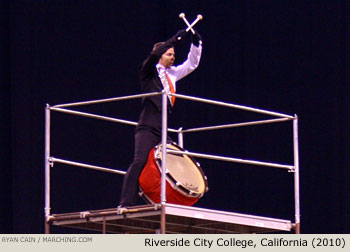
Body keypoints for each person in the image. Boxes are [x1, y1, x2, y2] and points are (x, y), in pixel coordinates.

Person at [117, 29, 202, 213]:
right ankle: (125, 203)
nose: (173, 57)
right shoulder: (148, 72)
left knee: (176, 158)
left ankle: (175, 201)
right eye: (169, 54)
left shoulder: (172, 74)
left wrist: (196, 43)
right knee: (139, 160)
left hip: (162, 128)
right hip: (148, 127)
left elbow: (192, 64)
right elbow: (152, 56)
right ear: (160, 55)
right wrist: (175, 38)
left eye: (173, 54)